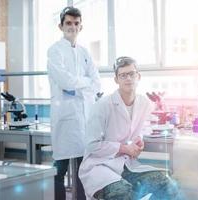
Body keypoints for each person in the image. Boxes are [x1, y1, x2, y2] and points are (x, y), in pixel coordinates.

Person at [79, 56, 182, 200]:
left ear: (138, 76)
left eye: (131, 74)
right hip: (99, 166)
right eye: (123, 75)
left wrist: (139, 140)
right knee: (122, 192)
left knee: (167, 185)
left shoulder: (144, 103)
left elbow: (143, 127)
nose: (128, 78)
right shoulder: (102, 106)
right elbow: (92, 146)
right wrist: (124, 148)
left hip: (125, 164)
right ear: (116, 79)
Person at [47, 6, 101, 200]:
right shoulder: (54, 51)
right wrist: (84, 83)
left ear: (81, 26)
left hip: (84, 119)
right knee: (59, 169)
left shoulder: (85, 52)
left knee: (83, 169)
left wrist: (79, 85)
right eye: (68, 23)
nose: (72, 27)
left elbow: (97, 83)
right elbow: (65, 81)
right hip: (64, 117)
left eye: (76, 23)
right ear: (60, 26)